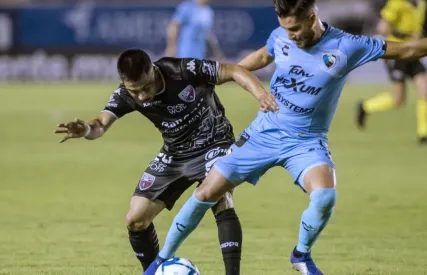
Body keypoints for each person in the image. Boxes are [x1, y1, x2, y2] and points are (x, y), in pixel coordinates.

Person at [143, 0, 427, 274]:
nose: (290, 35)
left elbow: (406, 50)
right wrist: (216, 80)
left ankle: (300, 256)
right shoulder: (280, 36)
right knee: (206, 193)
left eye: (296, 28)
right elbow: (259, 58)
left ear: (312, 16)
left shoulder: (348, 46)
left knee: (325, 197)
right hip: (263, 133)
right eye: (285, 28)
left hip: (307, 141)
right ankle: (160, 262)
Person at [53, 49, 277, 275]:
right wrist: (86, 129)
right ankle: (153, 271)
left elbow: (234, 70)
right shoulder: (126, 94)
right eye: (134, 90)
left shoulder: (183, 70)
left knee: (220, 200)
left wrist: (261, 95)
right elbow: (100, 125)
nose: (141, 96)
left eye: (145, 87)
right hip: (175, 154)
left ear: (152, 69)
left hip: (214, 143)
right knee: (136, 219)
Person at [357, 0, 427, 144]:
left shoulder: (421, 3)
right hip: (397, 51)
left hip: (413, 50)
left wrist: (417, 37)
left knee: (425, 87)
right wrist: (401, 34)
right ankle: (366, 106)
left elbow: (417, 28)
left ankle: (424, 135)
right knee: (399, 100)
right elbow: (382, 27)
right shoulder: (397, 2)